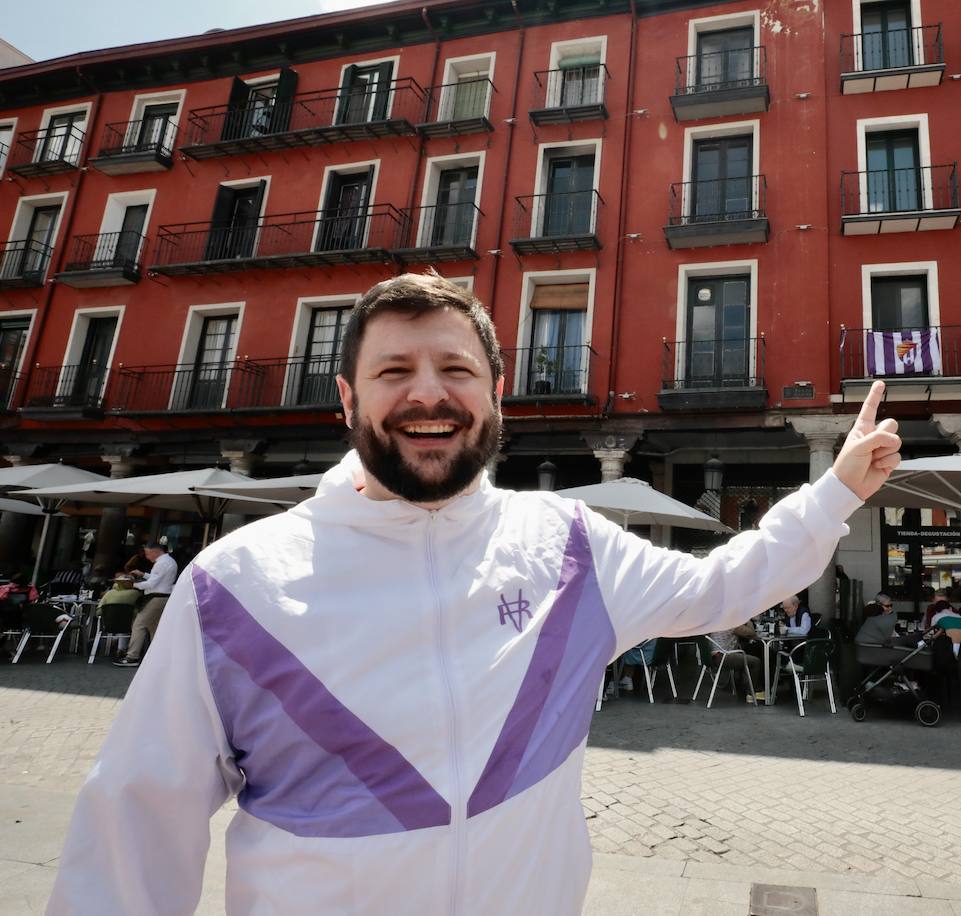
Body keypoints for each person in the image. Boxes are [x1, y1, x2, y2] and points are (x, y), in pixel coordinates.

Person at [47, 272, 904, 915]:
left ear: (497, 395)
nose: (427, 391)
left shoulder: (570, 545)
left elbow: (725, 587)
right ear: (348, 399)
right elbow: (131, 832)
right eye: (394, 371)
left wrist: (832, 494)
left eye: (454, 367)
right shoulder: (234, 585)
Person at [112, 542, 178, 668]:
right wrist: (143, 575)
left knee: (139, 625)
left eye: (148, 553)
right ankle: (158, 656)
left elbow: (152, 584)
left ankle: (132, 657)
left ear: (155, 551)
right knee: (154, 628)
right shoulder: (167, 561)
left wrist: (132, 584)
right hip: (161, 597)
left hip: (157, 597)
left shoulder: (162, 563)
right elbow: (157, 580)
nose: (147, 557)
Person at [706, 624, 766, 702]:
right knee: (755, 662)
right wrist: (748, 620)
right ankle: (752, 693)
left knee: (747, 653)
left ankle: (745, 686)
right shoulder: (731, 623)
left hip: (714, 656)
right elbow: (751, 633)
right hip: (723, 657)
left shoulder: (721, 622)